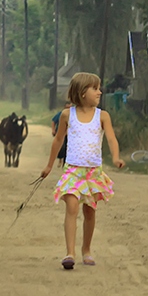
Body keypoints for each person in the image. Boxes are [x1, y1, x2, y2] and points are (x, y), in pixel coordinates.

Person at [41, 72, 125, 270]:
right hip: (73, 170)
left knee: (90, 210)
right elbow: (58, 140)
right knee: (71, 207)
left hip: (93, 171)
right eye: (95, 89)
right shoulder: (67, 115)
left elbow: (111, 138)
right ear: (81, 92)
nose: (99, 92)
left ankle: (86, 250)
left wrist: (115, 157)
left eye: (99, 88)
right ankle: (69, 252)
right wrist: (49, 165)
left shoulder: (102, 116)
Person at [51, 101, 73, 167]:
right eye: (67, 107)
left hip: (70, 134)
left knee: (68, 148)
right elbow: (53, 121)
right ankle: (60, 159)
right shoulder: (61, 114)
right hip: (61, 133)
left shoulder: (74, 115)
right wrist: (53, 130)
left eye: (69, 107)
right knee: (61, 147)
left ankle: (65, 163)